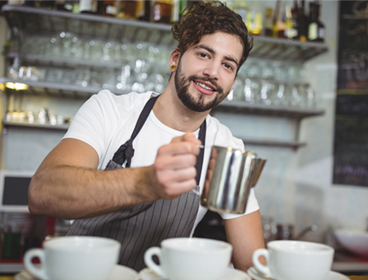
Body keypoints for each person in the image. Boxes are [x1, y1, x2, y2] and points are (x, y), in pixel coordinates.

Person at [28, 0, 265, 272]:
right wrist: (146, 182)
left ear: (232, 82)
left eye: (228, 65)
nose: (212, 72)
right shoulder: (110, 110)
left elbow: (253, 265)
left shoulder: (225, 149)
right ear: (175, 59)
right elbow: (41, 193)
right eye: (203, 54)